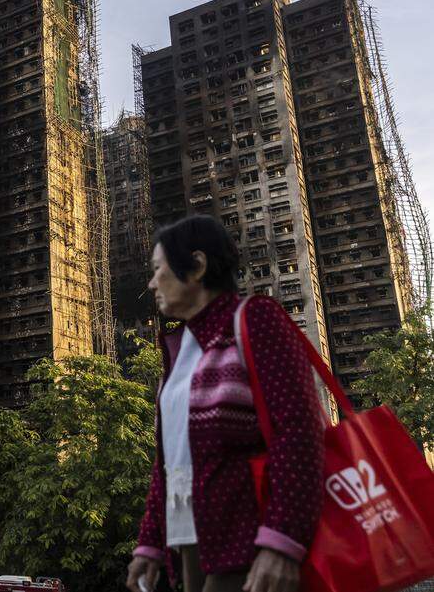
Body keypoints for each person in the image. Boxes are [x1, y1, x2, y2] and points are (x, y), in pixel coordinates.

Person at [125, 215, 325, 592]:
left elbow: (298, 432)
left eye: (158, 269)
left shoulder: (254, 320)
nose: (152, 283)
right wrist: (150, 543)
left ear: (197, 265)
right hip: (192, 541)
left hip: (251, 540)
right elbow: (170, 460)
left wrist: (282, 540)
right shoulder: (178, 348)